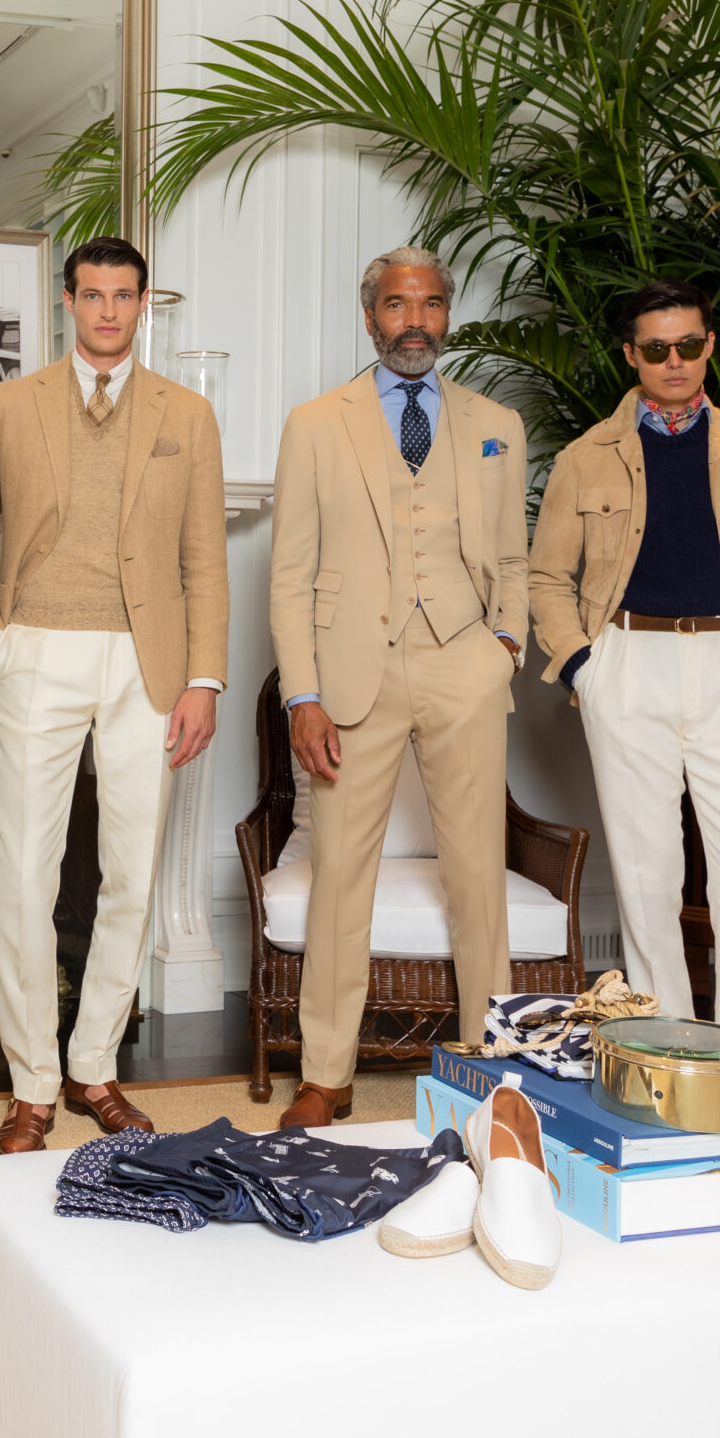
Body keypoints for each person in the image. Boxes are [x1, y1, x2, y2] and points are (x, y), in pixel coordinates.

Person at [0, 236, 229, 1155]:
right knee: (25, 876)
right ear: (68, 301)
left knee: (130, 873)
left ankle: (95, 1065)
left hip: (147, 663)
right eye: (93, 295)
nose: (108, 311)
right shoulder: (9, 406)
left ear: (143, 304)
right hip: (36, 649)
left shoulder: (187, 414)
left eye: (124, 296)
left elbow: (205, 559)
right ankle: (31, 1080)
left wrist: (203, 677)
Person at [268, 247, 529, 1130]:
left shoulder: (496, 423)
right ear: (370, 315)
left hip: (465, 661)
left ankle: (492, 1068)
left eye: (429, 305)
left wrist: (504, 646)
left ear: (447, 314)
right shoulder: (316, 424)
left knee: (477, 873)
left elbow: (514, 557)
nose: (413, 321)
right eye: (394, 305)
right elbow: (289, 572)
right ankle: (325, 1072)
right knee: (342, 872)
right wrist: (302, 694)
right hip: (353, 671)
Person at [528, 280, 720, 1038]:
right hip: (627, 662)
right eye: (656, 349)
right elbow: (545, 576)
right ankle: (665, 1053)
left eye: (689, 345)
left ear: (709, 346)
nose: (675, 362)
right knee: (645, 876)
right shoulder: (585, 458)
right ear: (631, 355)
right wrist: (585, 667)